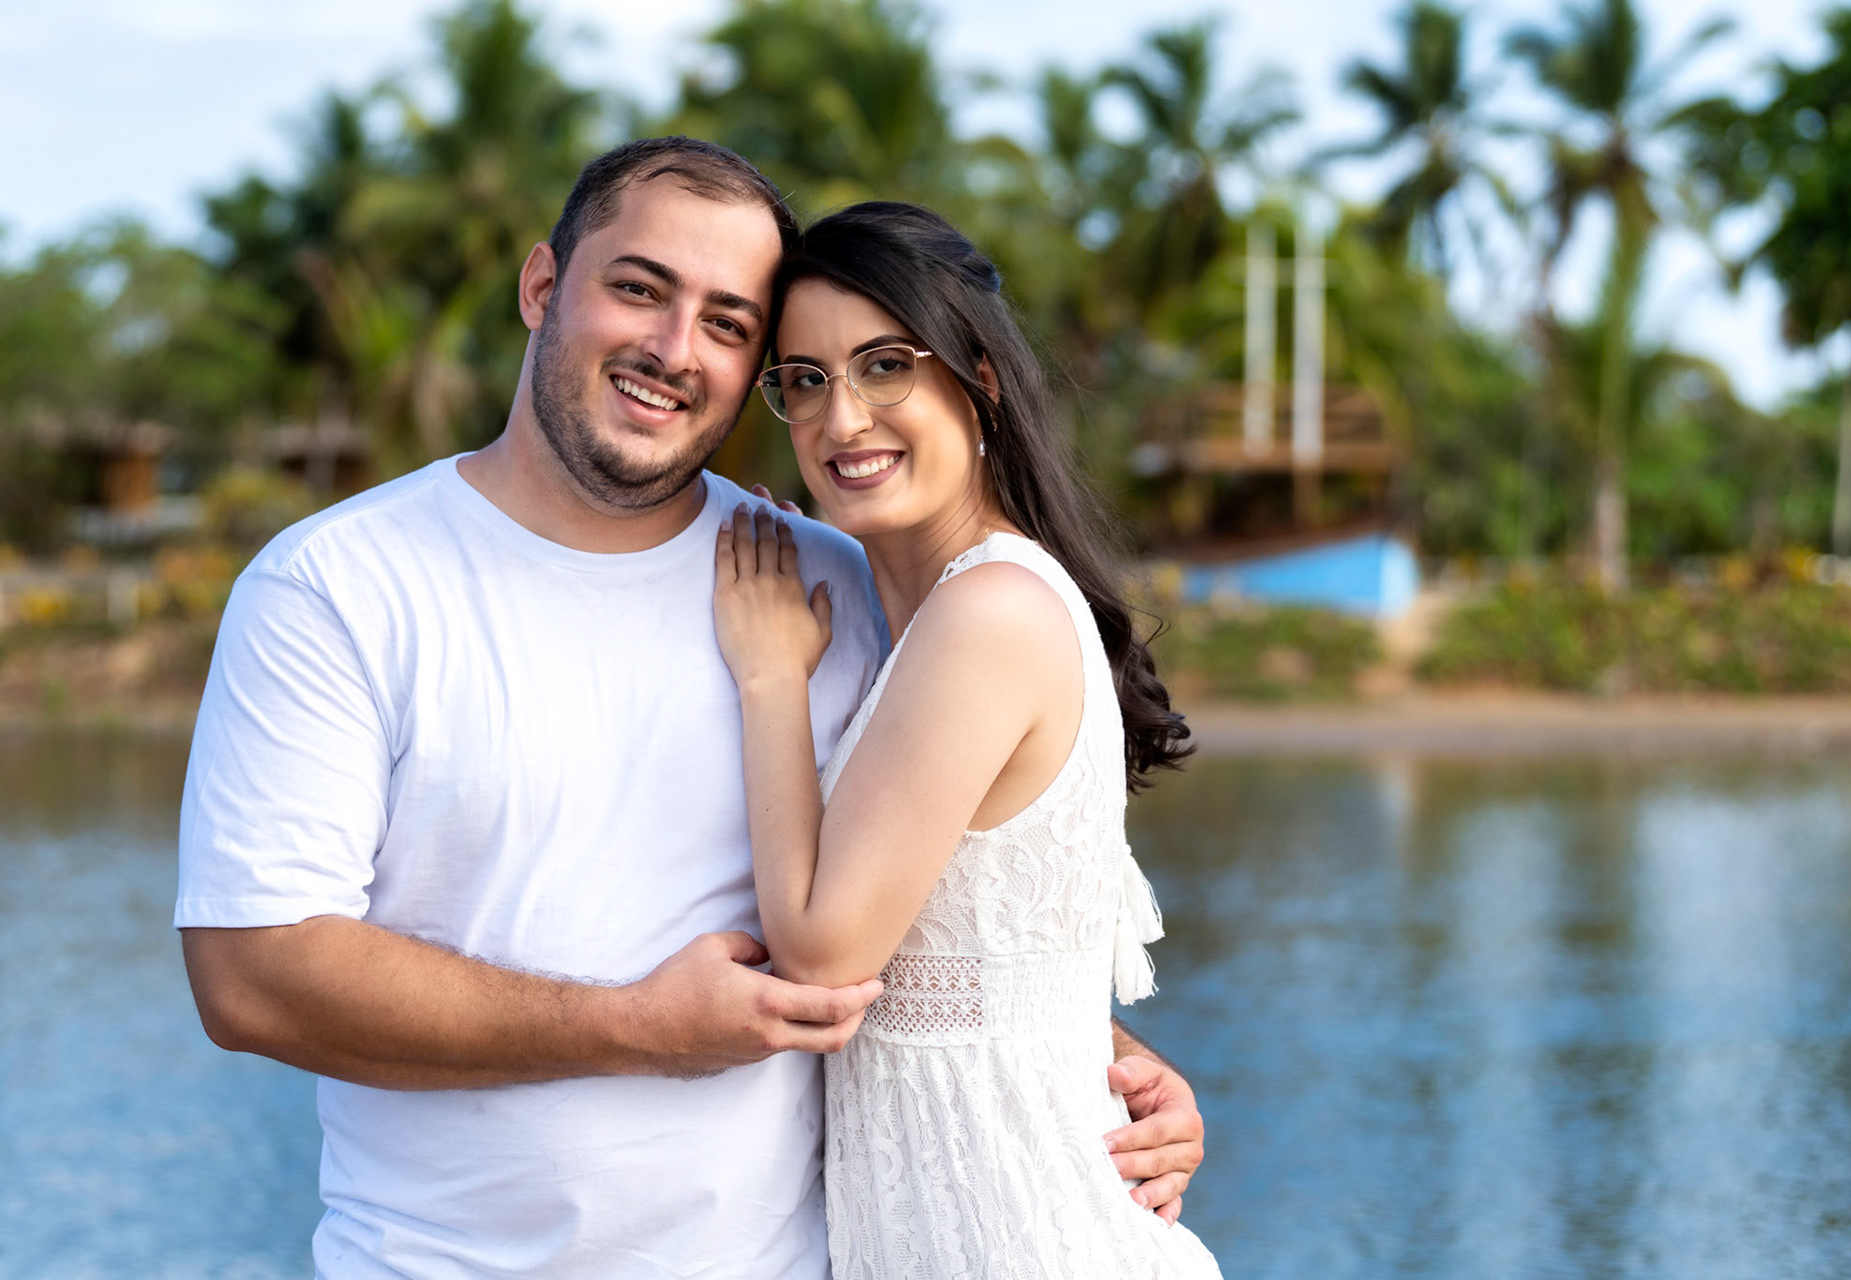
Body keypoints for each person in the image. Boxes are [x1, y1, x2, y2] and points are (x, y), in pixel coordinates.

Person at [176, 136, 1205, 1278]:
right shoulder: (337, 585)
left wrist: (1097, 1060)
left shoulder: (832, 579)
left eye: (727, 323)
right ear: (541, 286)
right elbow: (250, 973)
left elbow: (947, 899)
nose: (673, 349)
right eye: (638, 288)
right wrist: (634, 1027)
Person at [711, 202, 1222, 1277]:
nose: (840, 418)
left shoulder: (987, 610)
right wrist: (1124, 1058)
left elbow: (822, 952)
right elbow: (994, 966)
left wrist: (768, 676)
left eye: (884, 365)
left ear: (979, 377)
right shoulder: (942, 610)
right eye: (802, 379)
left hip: (1024, 1236)